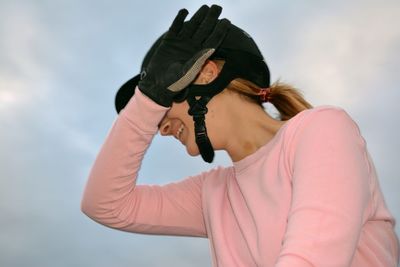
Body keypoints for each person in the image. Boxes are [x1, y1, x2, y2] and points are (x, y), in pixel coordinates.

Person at [81, 5, 399, 266]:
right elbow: (104, 205)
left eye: (165, 98)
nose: (158, 126)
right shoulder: (213, 192)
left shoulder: (322, 128)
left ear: (206, 73)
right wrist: (148, 100)